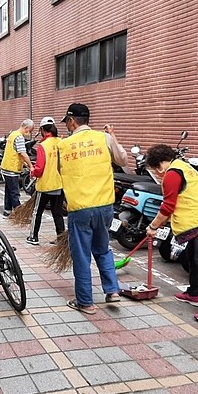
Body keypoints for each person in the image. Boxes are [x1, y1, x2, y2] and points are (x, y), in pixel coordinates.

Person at [145, 144, 198, 321]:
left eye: (156, 169)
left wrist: (153, 226)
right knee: (192, 255)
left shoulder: (172, 175)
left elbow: (167, 206)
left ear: (160, 164)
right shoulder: (182, 166)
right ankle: (193, 293)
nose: (158, 173)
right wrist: (158, 225)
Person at [58, 103, 128, 314]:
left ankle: (86, 302)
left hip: (80, 208)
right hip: (105, 206)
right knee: (103, 248)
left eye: (67, 123)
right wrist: (112, 135)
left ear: (71, 121)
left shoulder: (64, 145)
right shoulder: (103, 138)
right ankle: (112, 290)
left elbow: (61, 171)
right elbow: (123, 159)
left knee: (81, 255)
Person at [27, 117, 65, 245]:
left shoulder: (43, 146)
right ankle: (61, 239)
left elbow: (39, 168)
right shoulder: (61, 142)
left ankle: (33, 237)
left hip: (45, 185)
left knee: (37, 211)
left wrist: (33, 172)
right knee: (58, 213)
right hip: (60, 185)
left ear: (42, 130)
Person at [0, 119, 34, 218]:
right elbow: (22, 153)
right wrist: (31, 166)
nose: (30, 133)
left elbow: (15, 153)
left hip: (6, 167)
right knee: (15, 192)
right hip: (11, 169)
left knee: (9, 190)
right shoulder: (19, 137)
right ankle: (19, 214)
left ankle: (7, 211)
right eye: (30, 130)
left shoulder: (12, 134)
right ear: (26, 128)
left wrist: (27, 165)